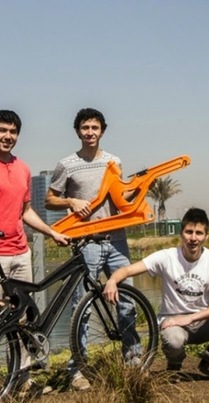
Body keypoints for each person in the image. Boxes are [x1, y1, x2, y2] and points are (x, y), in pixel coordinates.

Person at [45, 107, 140, 391]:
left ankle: (133, 361)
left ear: (102, 131)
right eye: (85, 128)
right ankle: (78, 370)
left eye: (95, 128)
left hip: (117, 240)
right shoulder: (67, 164)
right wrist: (71, 202)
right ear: (78, 131)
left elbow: (121, 196)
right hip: (86, 244)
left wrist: (140, 189)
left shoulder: (114, 162)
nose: (90, 132)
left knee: (127, 301)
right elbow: (50, 199)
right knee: (81, 308)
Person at [103, 207, 209, 383]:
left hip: (202, 322)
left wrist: (191, 318)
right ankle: (174, 366)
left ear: (206, 236)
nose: (193, 238)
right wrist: (112, 281)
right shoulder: (167, 257)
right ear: (181, 233)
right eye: (189, 232)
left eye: (198, 233)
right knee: (173, 341)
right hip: (173, 323)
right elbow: (127, 270)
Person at [0, 110, 70, 394]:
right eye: (2, 130)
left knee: (24, 319)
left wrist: (52, 232)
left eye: (13, 132)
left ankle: (22, 380)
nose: (7, 136)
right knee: (3, 319)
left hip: (21, 252)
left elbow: (26, 211)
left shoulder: (23, 169)